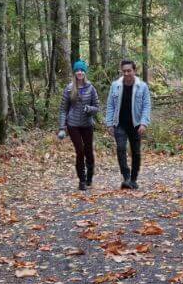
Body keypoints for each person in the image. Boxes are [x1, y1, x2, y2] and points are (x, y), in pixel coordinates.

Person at [105, 59, 152, 189]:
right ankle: (126, 177)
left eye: (129, 71)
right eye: (124, 71)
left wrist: (144, 123)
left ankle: (133, 178)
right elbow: (110, 105)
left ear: (134, 71)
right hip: (119, 124)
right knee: (120, 148)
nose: (126, 73)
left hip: (136, 124)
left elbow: (146, 106)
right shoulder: (115, 85)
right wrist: (109, 123)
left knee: (136, 152)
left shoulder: (142, 86)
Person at [58, 60, 99, 190]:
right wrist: (61, 127)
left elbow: (97, 107)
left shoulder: (91, 88)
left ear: (84, 72)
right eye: (77, 70)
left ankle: (89, 176)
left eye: (81, 70)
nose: (79, 72)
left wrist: (89, 109)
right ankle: (81, 180)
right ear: (74, 73)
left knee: (88, 151)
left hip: (87, 124)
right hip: (73, 124)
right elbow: (63, 109)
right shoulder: (69, 88)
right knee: (80, 151)